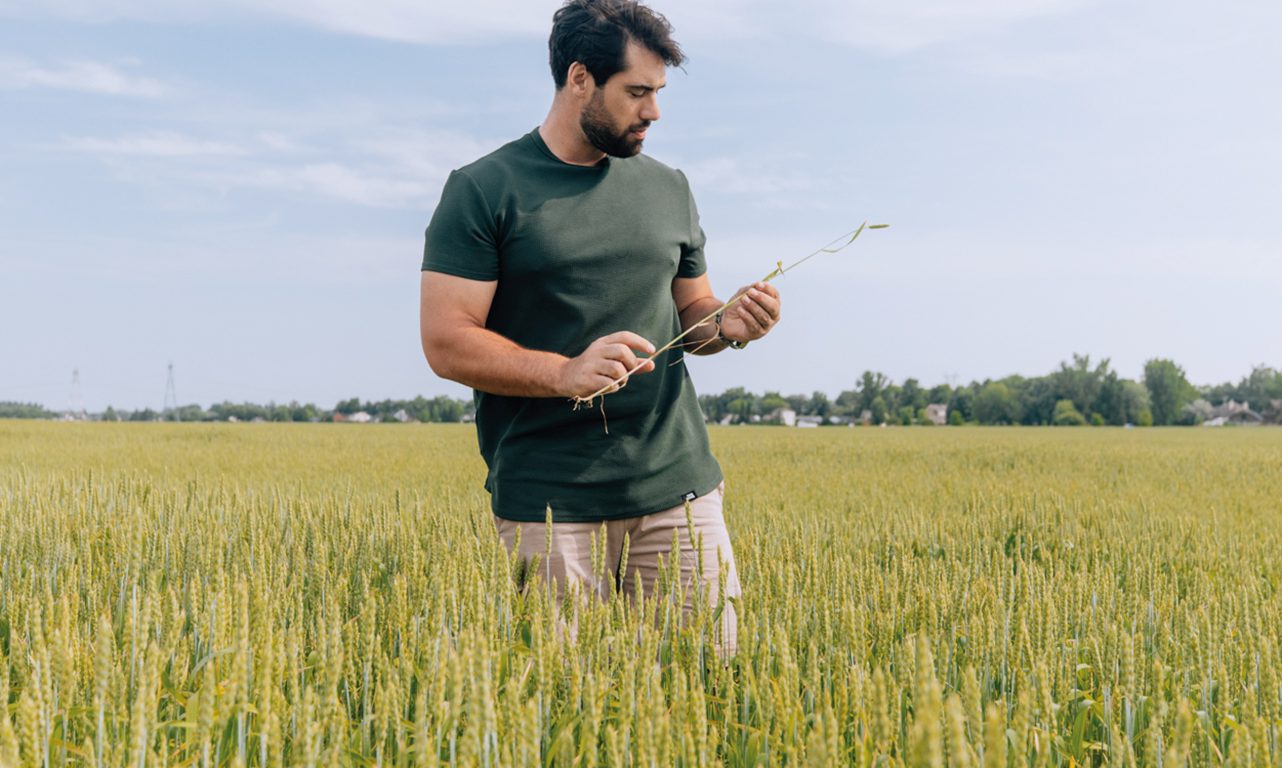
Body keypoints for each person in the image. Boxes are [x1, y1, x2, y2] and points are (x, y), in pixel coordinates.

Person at [418, 0, 781, 654]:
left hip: (679, 491)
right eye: (636, 92)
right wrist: (563, 373)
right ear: (579, 78)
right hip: (549, 505)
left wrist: (729, 324)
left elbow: (693, 317)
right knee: (568, 708)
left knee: (710, 693)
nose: (654, 112)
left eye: (659, 93)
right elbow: (446, 341)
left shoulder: (670, 188)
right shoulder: (483, 189)